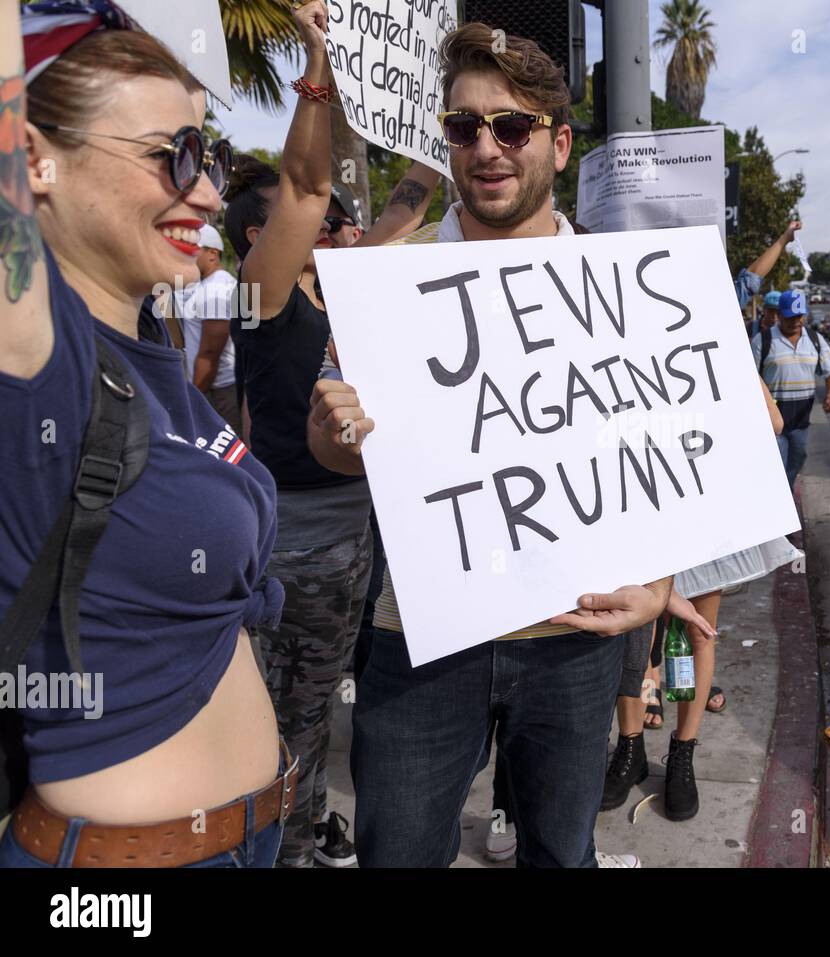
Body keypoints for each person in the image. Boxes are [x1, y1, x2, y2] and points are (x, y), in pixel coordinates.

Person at [307, 22, 680, 869]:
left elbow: (668, 456)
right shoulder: (385, 285)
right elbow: (326, 450)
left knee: (560, 850)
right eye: (463, 126)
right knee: (396, 851)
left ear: (556, 139)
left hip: (577, 641)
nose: (487, 147)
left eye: (510, 126)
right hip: (420, 637)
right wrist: (339, 435)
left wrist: (657, 589)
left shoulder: (624, 289)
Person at [0, 0, 289, 868]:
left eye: (215, 157)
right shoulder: (34, 356)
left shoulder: (151, 347)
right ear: (34, 161)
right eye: (177, 157)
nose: (207, 190)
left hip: (253, 836)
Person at [225, 0, 441, 868]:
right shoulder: (261, 294)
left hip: (356, 535)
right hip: (298, 545)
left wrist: (434, 108)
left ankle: (304, 825)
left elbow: (416, 199)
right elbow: (309, 181)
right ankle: (289, 840)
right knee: (295, 713)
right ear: (258, 234)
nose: (327, 214)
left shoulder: (343, 282)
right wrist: (320, 62)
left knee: (313, 707)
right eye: (297, 214)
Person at [602, 377, 798, 820]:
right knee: (633, 633)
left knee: (699, 633)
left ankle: (682, 755)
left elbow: (772, 421)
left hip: (698, 509)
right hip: (641, 505)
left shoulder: (714, 344)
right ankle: (630, 749)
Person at [755, 289, 830, 488]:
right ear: (779, 315)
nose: (795, 321)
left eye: (799, 316)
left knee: (797, 457)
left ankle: (786, 493)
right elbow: (748, 378)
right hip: (773, 421)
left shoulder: (815, 340)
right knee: (778, 464)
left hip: (801, 421)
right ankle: (781, 502)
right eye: (790, 317)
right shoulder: (763, 341)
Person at [177, 223, 240, 433]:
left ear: (212, 254)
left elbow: (210, 354)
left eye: (193, 249)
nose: (186, 254)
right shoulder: (207, 285)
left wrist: (193, 400)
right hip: (214, 387)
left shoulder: (216, 290)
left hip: (219, 390)